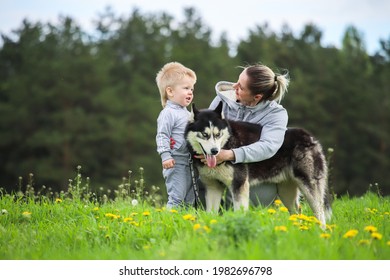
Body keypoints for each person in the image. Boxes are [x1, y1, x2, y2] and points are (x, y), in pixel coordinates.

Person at [198, 63, 290, 207]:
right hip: (218, 166)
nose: (234, 87)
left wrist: (229, 155)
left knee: (240, 202)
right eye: (237, 81)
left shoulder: (276, 114)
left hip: (256, 173)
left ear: (257, 96)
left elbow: (268, 147)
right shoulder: (222, 99)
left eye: (241, 87)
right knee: (200, 190)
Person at [155, 62, 197, 209]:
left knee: (190, 199)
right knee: (177, 197)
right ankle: (169, 224)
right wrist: (165, 155)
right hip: (175, 161)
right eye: (186, 88)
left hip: (190, 162)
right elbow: (162, 135)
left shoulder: (187, 113)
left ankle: (185, 224)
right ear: (170, 91)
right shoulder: (168, 113)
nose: (191, 92)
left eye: (192, 88)